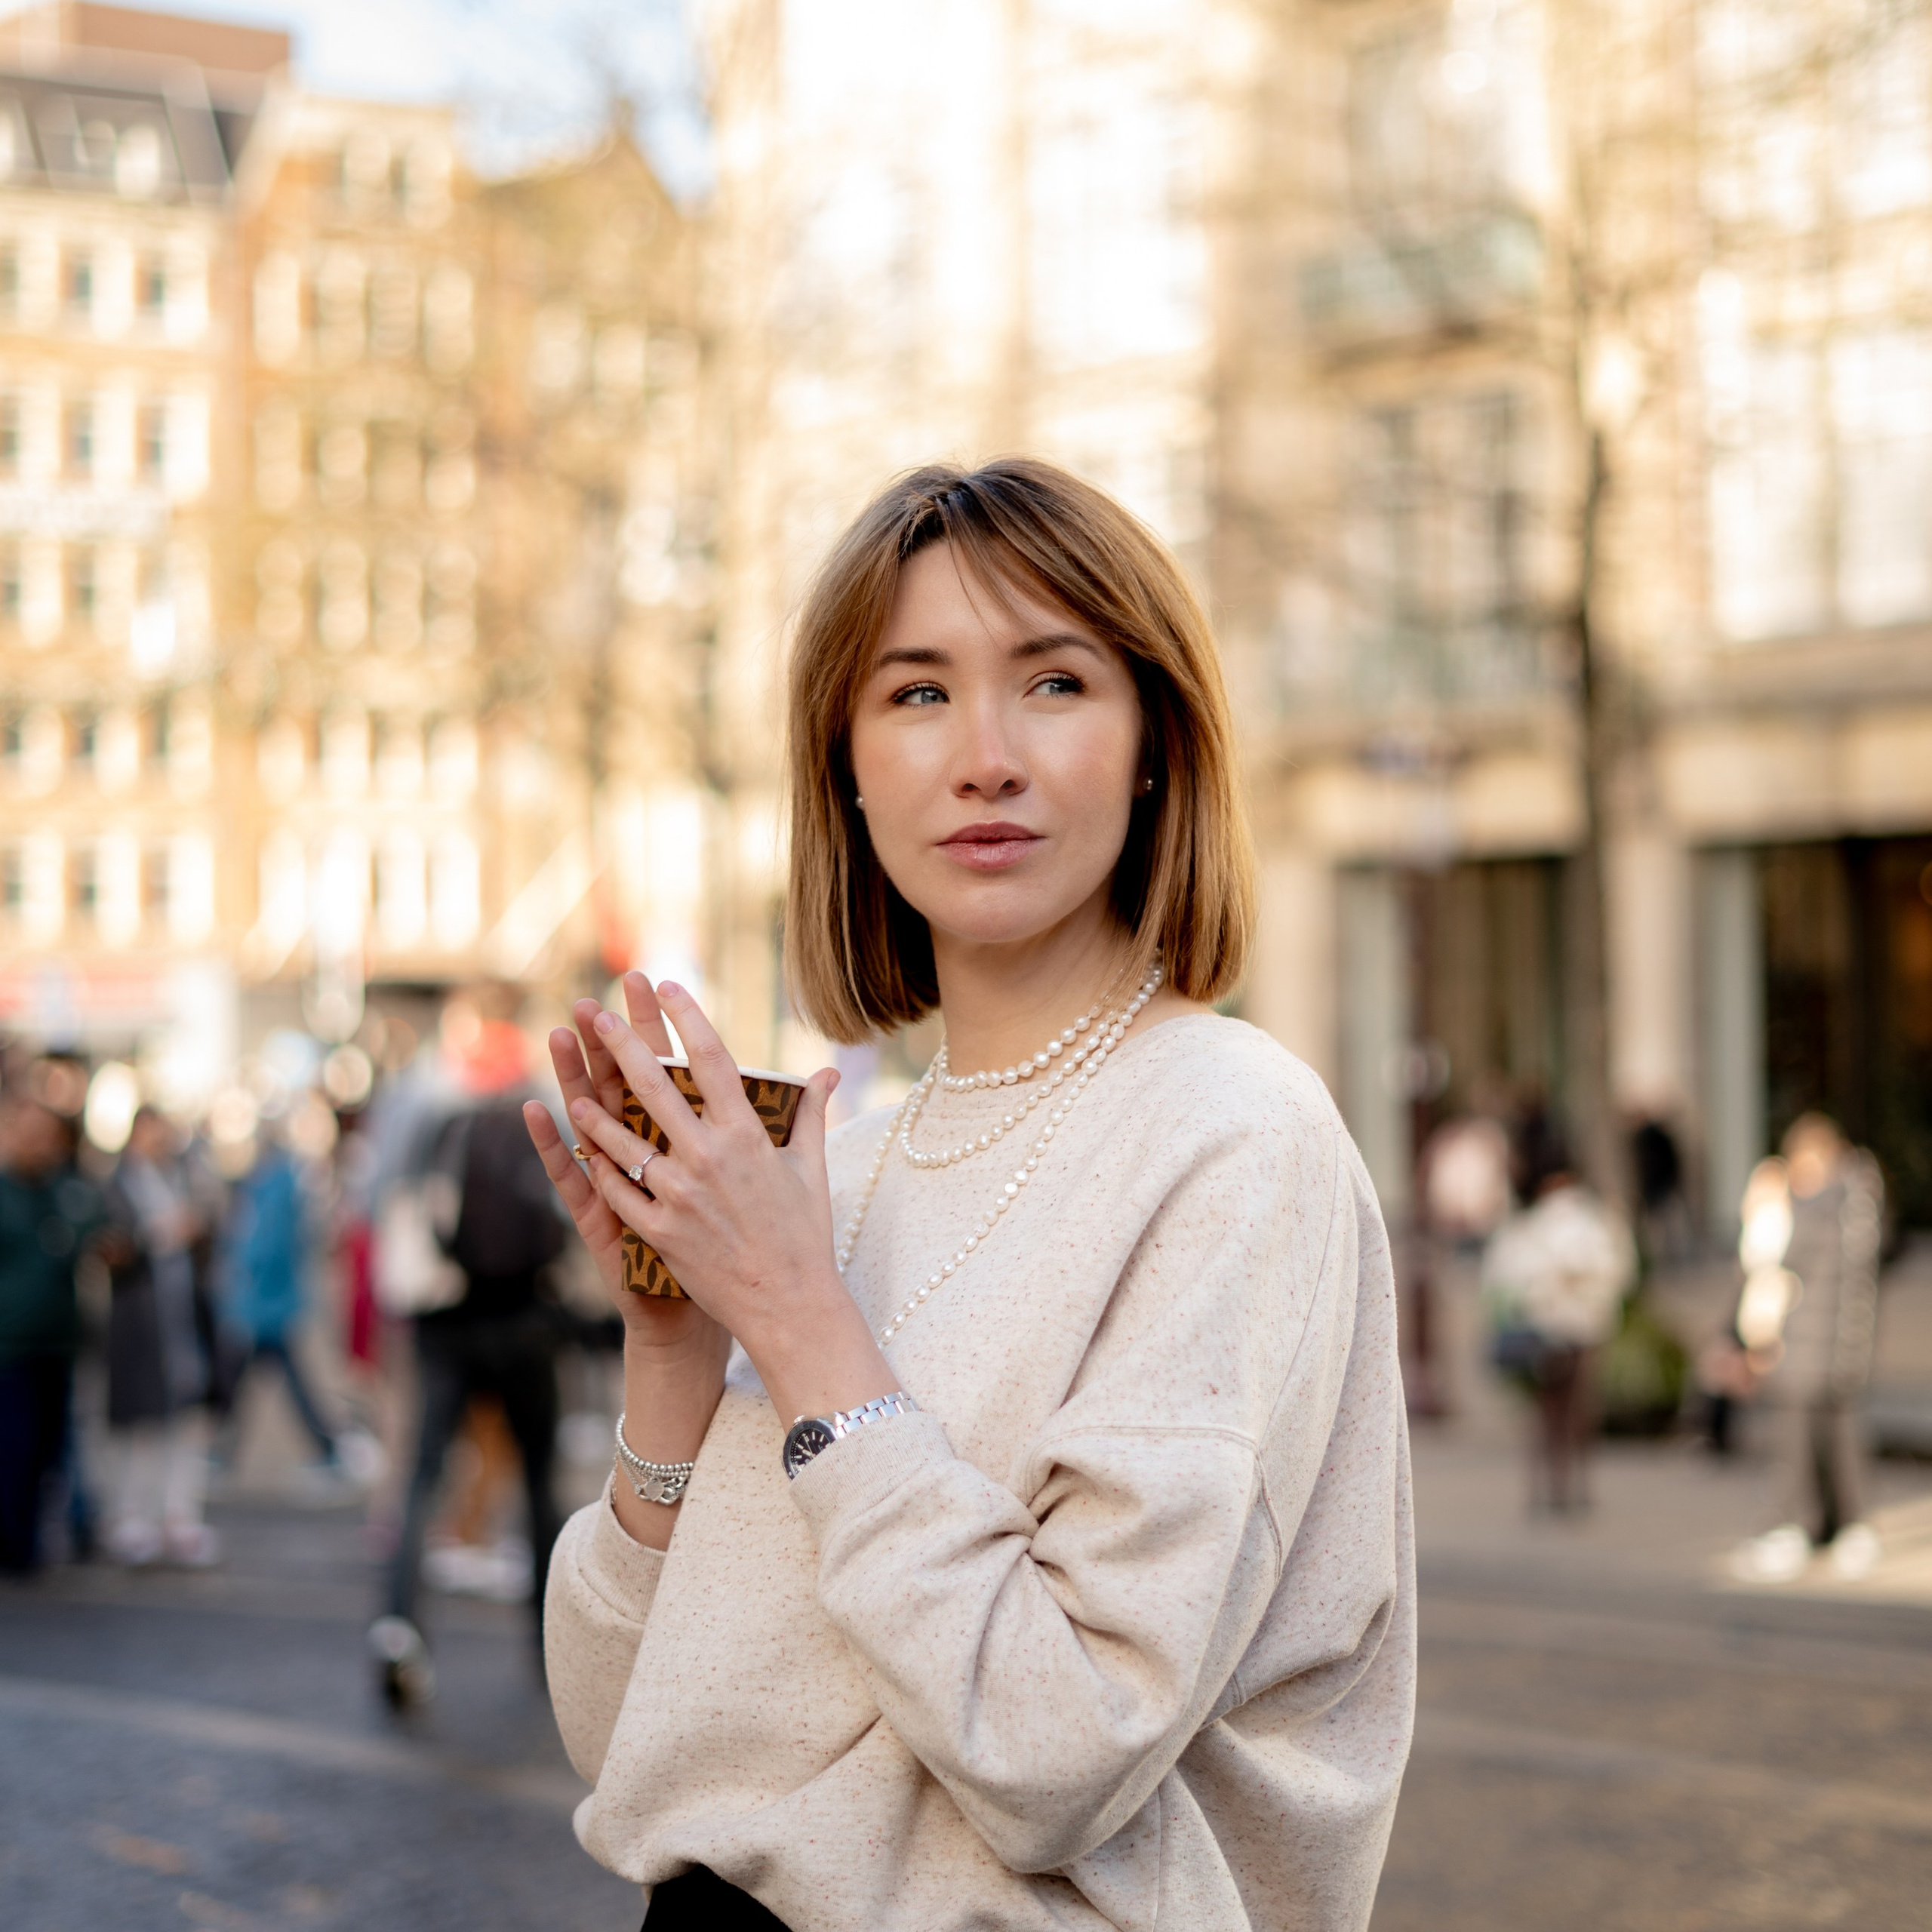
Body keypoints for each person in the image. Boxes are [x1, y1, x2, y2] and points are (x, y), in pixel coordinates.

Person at [525, 460, 1415, 1931]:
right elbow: (624, 1734)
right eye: (917, 692)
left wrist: (798, 1316)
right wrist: (675, 1345)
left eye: (1053, 681)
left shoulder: (1236, 1132)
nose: (982, 754)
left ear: (1150, 744)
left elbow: (1056, 1748)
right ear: (847, 762)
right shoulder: (846, 1160)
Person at [370, 1016, 568, 1707]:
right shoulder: (542, 1101)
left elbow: (375, 1198)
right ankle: (546, 1644)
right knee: (539, 1484)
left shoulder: (422, 1108)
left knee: (421, 1477)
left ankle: (398, 1627)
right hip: (525, 1318)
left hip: (443, 1320)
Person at [1730, 1115, 1884, 1583]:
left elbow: (1777, 1262)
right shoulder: (1856, 1203)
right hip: (1841, 1348)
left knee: (1796, 1445)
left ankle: (1793, 1528)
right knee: (1836, 1444)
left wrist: (1770, 1203)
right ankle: (1841, 1528)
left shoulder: (1816, 1207)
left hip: (1807, 1346)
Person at [1481, 1143, 1635, 1514]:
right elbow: (1620, 1273)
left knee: (1546, 1412)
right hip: (1584, 1328)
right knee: (1577, 1411)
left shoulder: (1529, 1225)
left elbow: (1501, 1279)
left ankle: (1546, 1487)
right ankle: (1573, 1487)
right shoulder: (1596, 1221)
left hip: (1543, 1328)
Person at [103, 1107, 222, 1566]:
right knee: (141, 1425)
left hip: (180, 1318)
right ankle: (133, 1514)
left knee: (185, 1420)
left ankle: (176, 1513)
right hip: (139, 1320)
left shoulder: (182, 1178)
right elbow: (111, 1245)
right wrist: (158, 1234)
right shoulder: (119, 1185)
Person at [0, 1092, 102, 1572]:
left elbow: (99, 1227)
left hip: (56, 1341)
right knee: (13, 1448)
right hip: (11, 1345)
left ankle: (30, 1540)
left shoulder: (63, 1188)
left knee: (46, 1448)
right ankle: (14, 1544)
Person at [214, 1127, 342, 1478]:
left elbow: (265, 1249)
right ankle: (223, 1449)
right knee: (247, 1383)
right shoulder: (267, 1186)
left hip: (266, 1306)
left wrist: (241, 1289)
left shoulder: (274, 1188)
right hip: (265, 1305)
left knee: (254, 1382)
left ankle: (327, 1447)